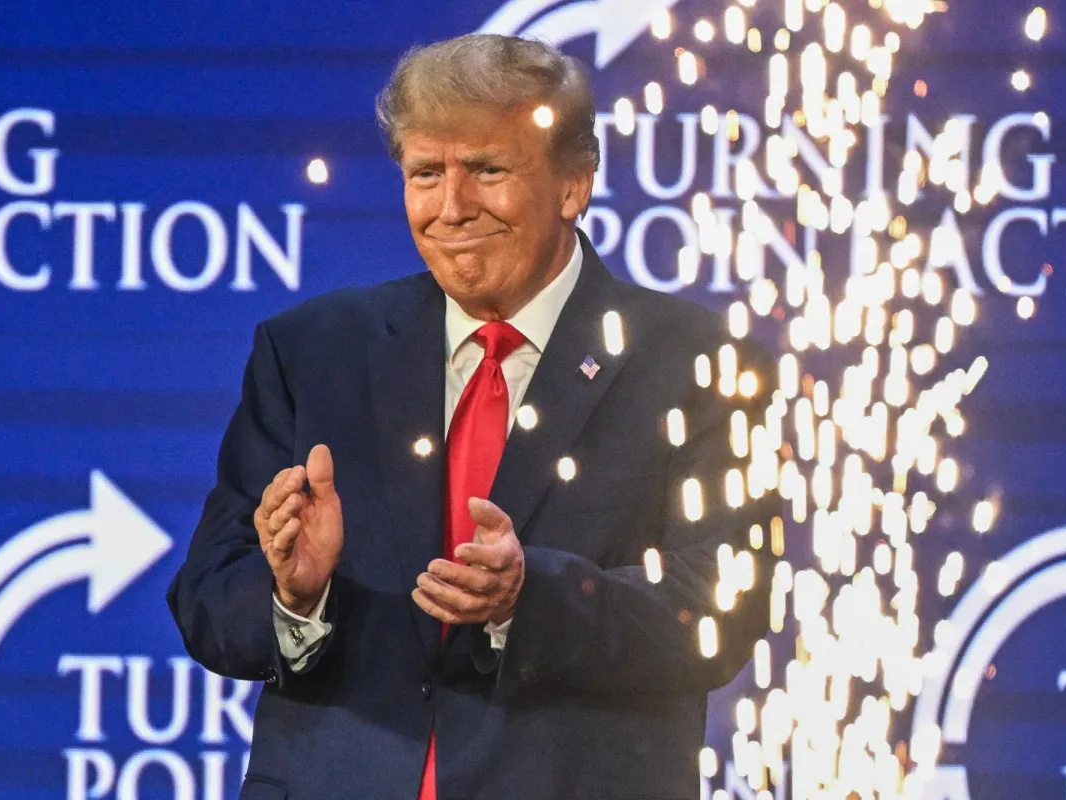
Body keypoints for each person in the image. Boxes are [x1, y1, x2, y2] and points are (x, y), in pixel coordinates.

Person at [167, 33, 777, 800]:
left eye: (488, 170)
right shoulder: (311, 351)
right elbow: (207, 601)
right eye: (427, 174)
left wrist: (532, 599)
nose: (452, 208)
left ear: (573, 185)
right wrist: (295, 597)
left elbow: (719, 610)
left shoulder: (698, 363)